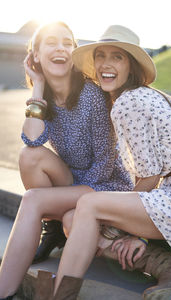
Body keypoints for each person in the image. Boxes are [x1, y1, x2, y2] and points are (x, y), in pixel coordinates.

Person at [32, 24, 171, 299]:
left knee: (87, 205)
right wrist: (123, 226)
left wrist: (126, 230)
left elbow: (148, 178)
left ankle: (60, 294)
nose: (105, 64)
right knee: (74, 218)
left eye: (117, 57)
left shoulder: (129, 102)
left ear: (132, 66)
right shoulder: (139, 97)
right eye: (101, 56)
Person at [0, 22, 136, 299]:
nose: (61, 48)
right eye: (51, 42)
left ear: (73, 51)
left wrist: (65, 198)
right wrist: (37, 87)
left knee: (33, 199)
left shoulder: (93, 95)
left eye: (67, 42)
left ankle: (4, 290)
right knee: (30, 157)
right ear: (35, 56)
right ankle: (54, 229)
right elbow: (33, 141)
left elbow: (106, 162)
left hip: (107, 183)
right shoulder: (45, 98)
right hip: (74, 181)